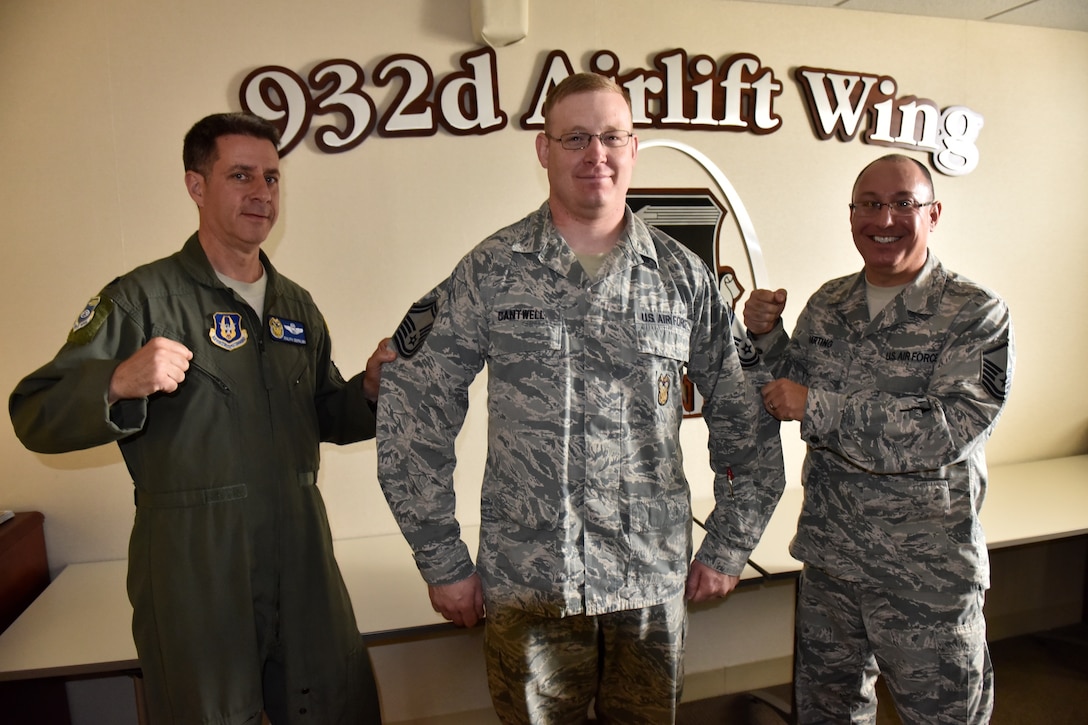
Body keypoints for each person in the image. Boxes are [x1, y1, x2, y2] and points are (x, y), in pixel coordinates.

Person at [377, 73, 784, 724]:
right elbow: (413, 408)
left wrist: (729, 542)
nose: (596, 154)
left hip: (649, 587)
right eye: (575, 138)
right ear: (544, 150)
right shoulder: (492, 269)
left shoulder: (684, 278)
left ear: (634, 148)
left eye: (612, 137)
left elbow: (745, 413)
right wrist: (441, 557)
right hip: (532, 587)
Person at [9, 112, 395, 724]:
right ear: (196, 185)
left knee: (335, 702)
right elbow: (35, 412)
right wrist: (116, 381)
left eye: (271, 178)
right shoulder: (141, 299)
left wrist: (370, 390)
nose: (261, 193)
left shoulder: (295, 305)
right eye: (240, 175)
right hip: (194, 565)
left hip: (300, 551)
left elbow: (324, 413)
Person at [743, 153, 1014, 724]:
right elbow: (791, 386)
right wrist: (767, 338)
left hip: (926, 576)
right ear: (851, 216)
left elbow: (947, 430)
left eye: (902, 204)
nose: (883, 218)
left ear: (933, 214)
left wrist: (816, 405)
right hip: (832, 562)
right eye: (869, 204)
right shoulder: (828, 303)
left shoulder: (975, 314)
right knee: (827, 715)